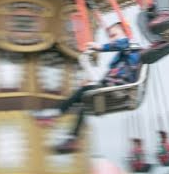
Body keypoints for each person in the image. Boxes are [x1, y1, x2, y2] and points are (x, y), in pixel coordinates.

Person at [46, 22, 141, 154]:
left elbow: (123, 43)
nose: (112, 39)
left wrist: (100, 46)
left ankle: (56, 113)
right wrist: (94, 82)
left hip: (119, 90)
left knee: (84, 91)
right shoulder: (122, 56)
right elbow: (111, 75)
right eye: (110, 37)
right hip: (113, 89)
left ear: (126, 33)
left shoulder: (132, 46)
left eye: (114, 35)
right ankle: (72, 138)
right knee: (84, 104)